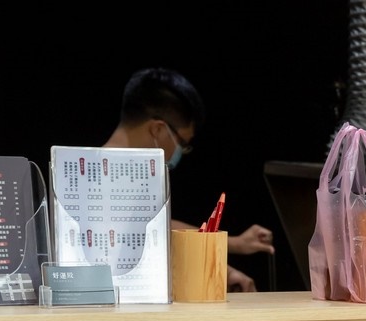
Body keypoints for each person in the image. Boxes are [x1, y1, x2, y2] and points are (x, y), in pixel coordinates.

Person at [103, 67, 275, 292]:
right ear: (157, 129)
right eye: (182, 143)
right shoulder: (106, 176)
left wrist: (232, 245)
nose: (180, 153)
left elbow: (156, 225)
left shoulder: (121, 173)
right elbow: (149, 230)